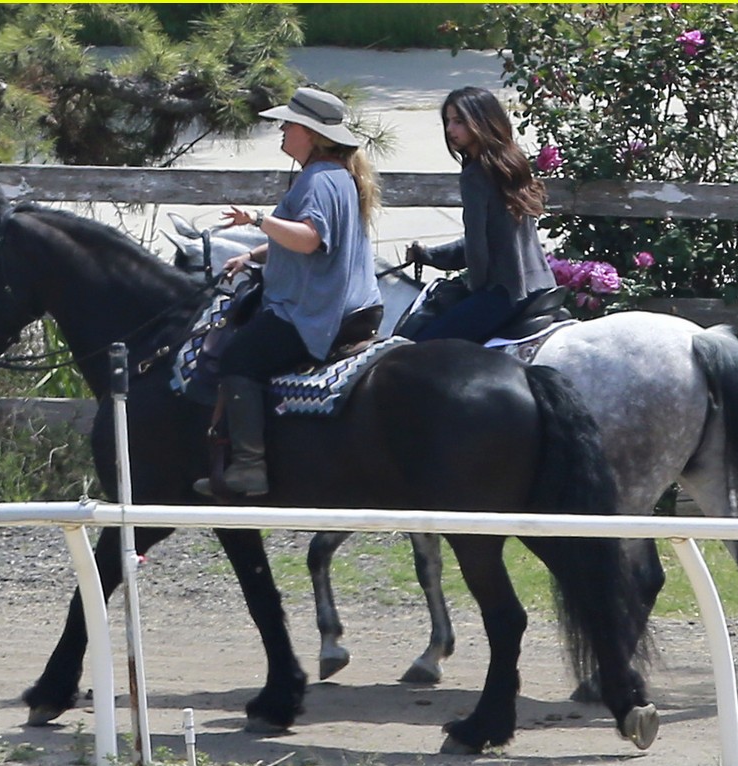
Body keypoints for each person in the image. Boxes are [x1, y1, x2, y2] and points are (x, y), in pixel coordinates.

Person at [193, 87, 382, 498]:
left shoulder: (317, 179)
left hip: (317, 311)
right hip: (354, 305)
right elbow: (307, 241)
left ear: (310, 133)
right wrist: (255, 256)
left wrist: (258, 219)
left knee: (239, 357)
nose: (281, 129)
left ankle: (249, 467)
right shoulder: (336, 175)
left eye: (289, 123)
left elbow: (310, 239)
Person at [399, 86, 557, 342]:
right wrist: (430, 255)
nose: (450, 130)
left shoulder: (475, 175)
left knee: (418, 347)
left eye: (459, 122)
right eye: (448, 121)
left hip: (505, 293)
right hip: (541, 285)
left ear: (481, 122)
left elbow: (477, 245)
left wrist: (476, 288)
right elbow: (495, 238)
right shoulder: (513, 163)